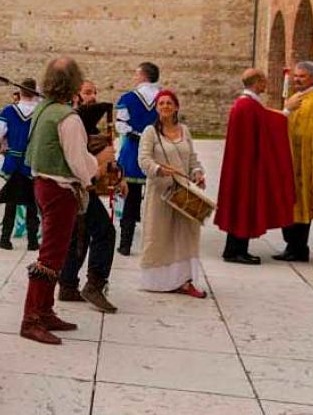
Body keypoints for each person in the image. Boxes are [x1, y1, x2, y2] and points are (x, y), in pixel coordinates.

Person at [21, 58, 114, 345]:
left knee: (57, 253)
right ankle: (31, 319)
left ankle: (46, 310)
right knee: (50, 256)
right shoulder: (68, 117)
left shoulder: (43, 110)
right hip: (59, 190)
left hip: (43, 186)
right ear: (74, 83)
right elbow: (77, 161)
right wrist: (96, 169)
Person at [214, 69, 295, 264]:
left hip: (242, 165)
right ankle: (237, 251)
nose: (266, 85)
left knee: (241, 206)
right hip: (246, 167)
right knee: (244, 205)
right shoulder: (247, 106)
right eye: (264, 81)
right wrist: (287, 110)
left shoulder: (246, 104)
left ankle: (234, 249)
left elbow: (264, 118)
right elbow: (268, 124)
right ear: (257, 82)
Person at [137, 90, 207, 298]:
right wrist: (159, 169)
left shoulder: (184, 131)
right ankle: (160, 281)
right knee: (159, 236)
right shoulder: (150, 132)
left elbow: (193, 160)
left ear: (176, 107)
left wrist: (198, 173)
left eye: (169, 103)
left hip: (184, 193)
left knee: (186, 236)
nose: (165, 106)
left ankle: (185, 281)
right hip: (160, 193)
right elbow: (144, 160)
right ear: (157, 108)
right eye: (161, 104)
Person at [59, 79, 119, 313]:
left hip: (84, 186)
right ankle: (95, 285)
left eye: (95, 92)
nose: (93, 96)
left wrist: (116, 175)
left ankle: (67, 284)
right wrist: (101, 164)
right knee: (104, 232)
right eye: (87, 92)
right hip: (78, 187)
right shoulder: (73, 120)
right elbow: (79, 159)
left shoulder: (86, 123)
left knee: (79, 234)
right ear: (76, 96)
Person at [275, 61, 313, 262]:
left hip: (306, 161)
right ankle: (292, 246)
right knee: (288, 203)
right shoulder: (293, 98)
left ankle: (298, 248)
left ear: (312, 77)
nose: (297, 79)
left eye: (301, 76)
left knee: (302, 205)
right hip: (290, 160)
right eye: (295, 76)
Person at [115, 62, 162, 256]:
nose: (134, 77)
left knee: (131, 198)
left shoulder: (129, 98)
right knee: (157, 199)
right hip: (158, 150)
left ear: (143, 75)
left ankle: (125, 244)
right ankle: (157, 245)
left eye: (136, 73)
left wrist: (136, 134)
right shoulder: (165, 98)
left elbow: (121, 125)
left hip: (134, 150)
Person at [0, 78, 40, 251]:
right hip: (33, 163)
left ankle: (5, 239)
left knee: (11, 202)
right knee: (33, 203)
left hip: (13, 161)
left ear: (20, 91)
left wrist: (4, 140)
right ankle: (32, 241)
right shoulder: (41, 111)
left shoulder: (10, 111)